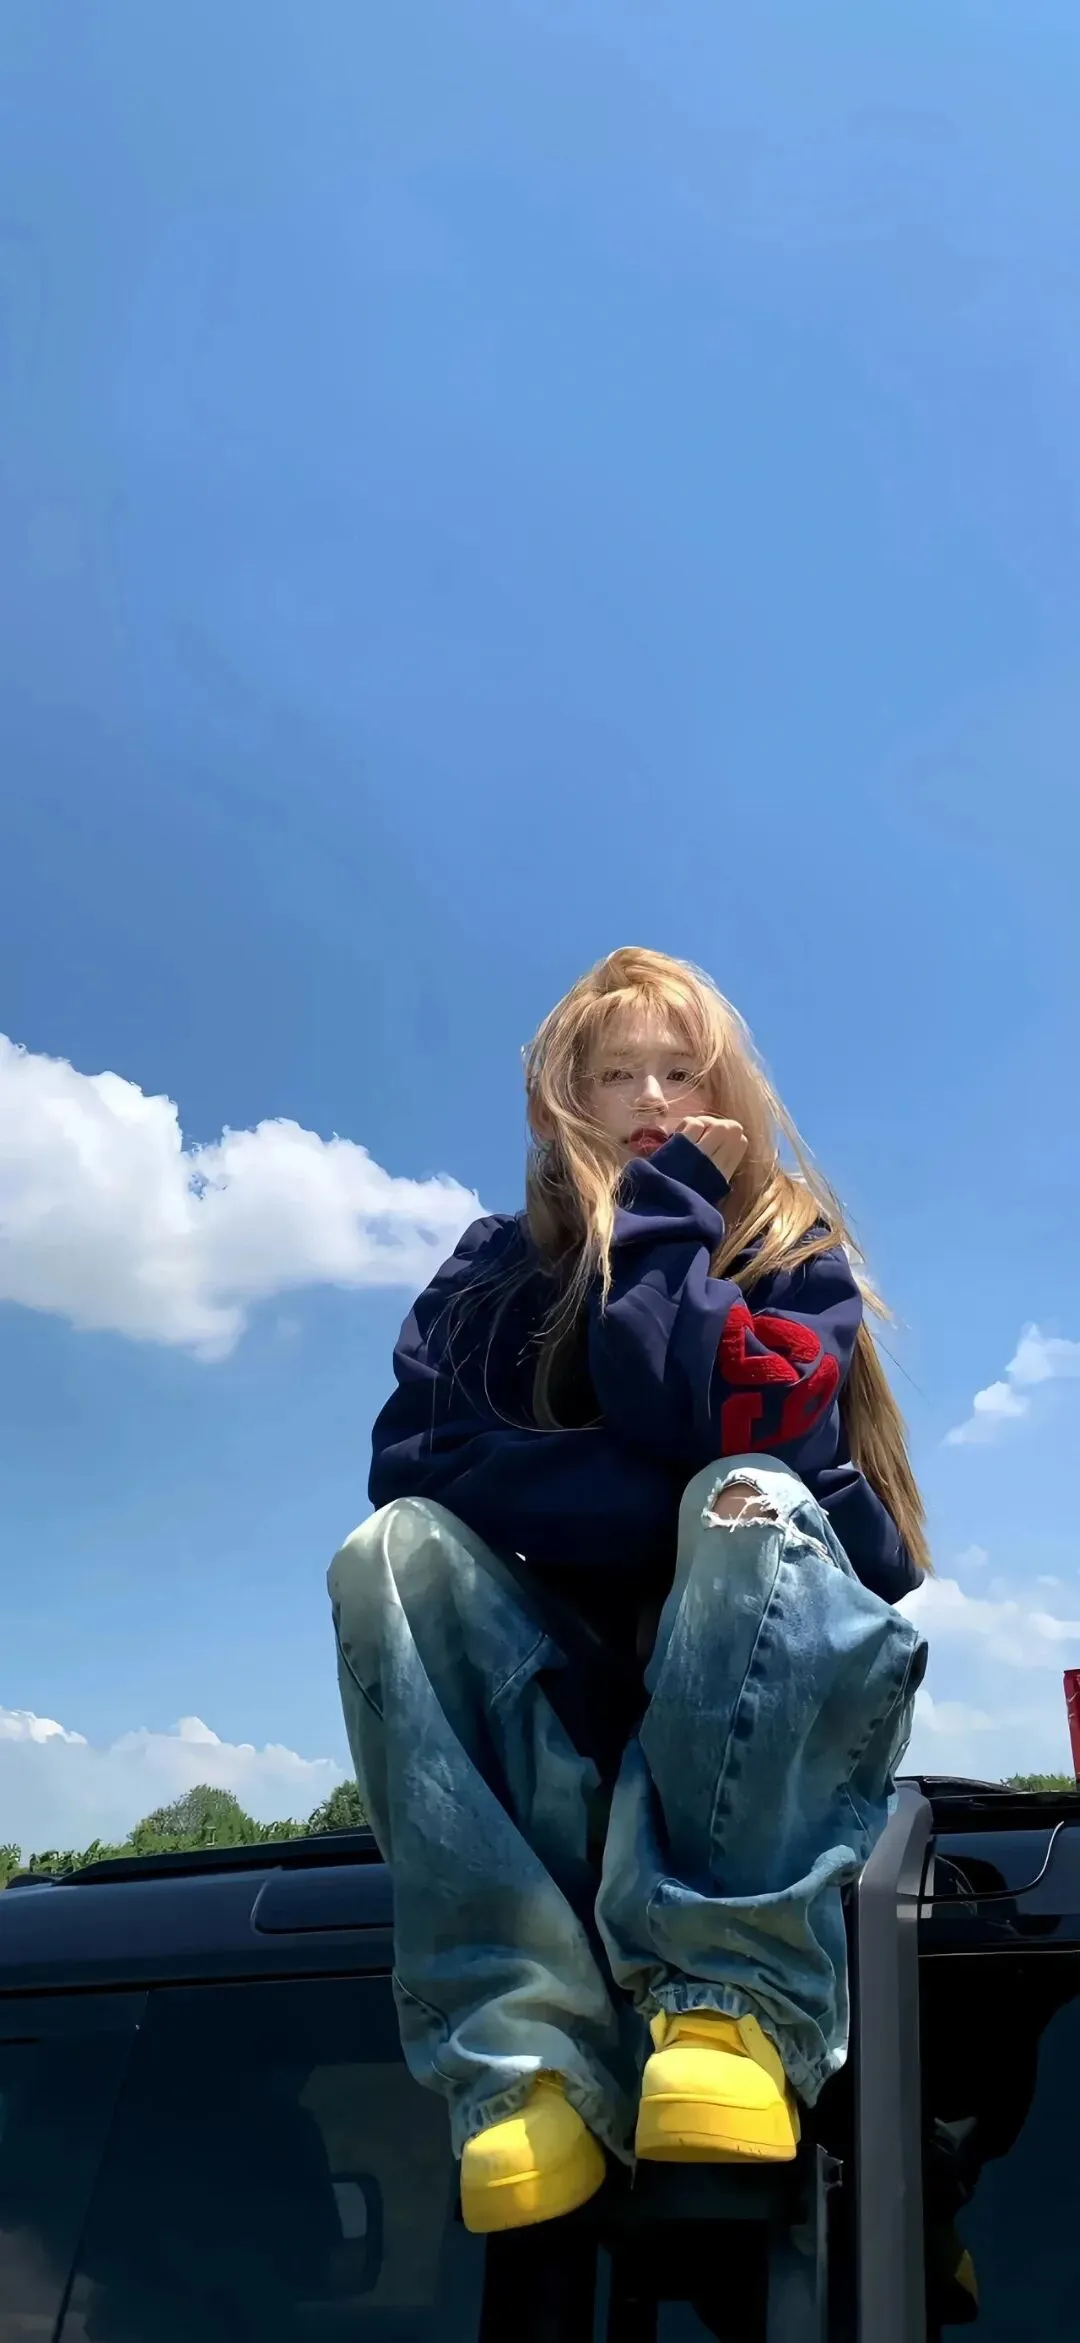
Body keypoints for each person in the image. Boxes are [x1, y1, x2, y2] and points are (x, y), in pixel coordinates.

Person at [328, 947, 928, 2237]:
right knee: (392, 1551)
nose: (654, 1098)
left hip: (764, 1704)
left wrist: (665, 1218)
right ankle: (523, 2059)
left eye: (683, 1072)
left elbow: (728, 1423)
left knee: (748, 1497)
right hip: (571, 1694)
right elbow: (416, 1467)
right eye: (617, 1075)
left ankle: (728, 2004)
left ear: (730, 1095)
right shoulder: (491, 1270)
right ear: (563, 1102)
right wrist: (655, 1488)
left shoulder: (789, 1253)